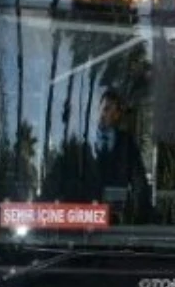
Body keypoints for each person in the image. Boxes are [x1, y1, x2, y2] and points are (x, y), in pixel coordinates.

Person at [41, 88, 153, 221]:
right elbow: (55, 180)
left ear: (117, 114)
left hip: (117, 225)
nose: (102, 114)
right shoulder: (78, 143)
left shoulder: (128, 145)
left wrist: (142, 215)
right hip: (83, 220)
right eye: (101, 109)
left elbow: (139, 182)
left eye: (108, 109)